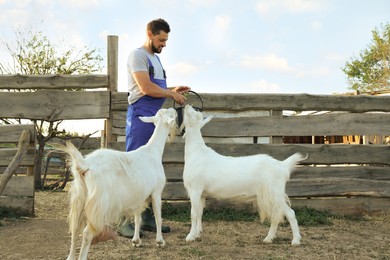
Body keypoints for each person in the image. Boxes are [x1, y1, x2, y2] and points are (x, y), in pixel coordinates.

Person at [118, 18, 190, 238]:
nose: (164, 44)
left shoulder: (156, 60)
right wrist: (171, 94)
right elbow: (145, 87)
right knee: (134, 168)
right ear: (150, 34)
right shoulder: (137, 55)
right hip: (141, 117)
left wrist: (172, 89)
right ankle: (125, 220)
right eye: (161, 39)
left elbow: (157, 87)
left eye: (166, 40)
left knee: (151, 169)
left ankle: (147, 217)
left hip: (156, 120)